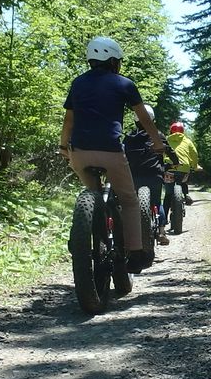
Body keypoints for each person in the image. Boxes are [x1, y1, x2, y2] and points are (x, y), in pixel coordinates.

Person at [60, 36, 169, 273]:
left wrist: (62, 147)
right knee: (129, 200)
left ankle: (83, 236)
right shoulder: (124, 84)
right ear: (112, 60)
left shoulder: (78, 83)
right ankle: (136, 253)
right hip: (110, 151)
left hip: (79, 152)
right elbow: (144, 118)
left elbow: (69, 120)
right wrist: (157, 142)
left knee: (92, 192)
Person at [123, 105, 179, 246]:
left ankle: (130, 233)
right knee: (157, 202)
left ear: (135, 121)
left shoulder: (129, 137)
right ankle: (161, 232)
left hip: (133, 176)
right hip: (154, 175)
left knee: (132, 204)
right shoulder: (158, 135)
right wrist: (176, 162)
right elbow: (169, 151)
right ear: (152, 120)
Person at [165, 122, 201, 205]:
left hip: (170, 167)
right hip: (184, 167)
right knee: (183, 181)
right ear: (182, 131)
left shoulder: (166, 140)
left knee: (168, 193)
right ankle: (186, 194)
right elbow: (194, 154)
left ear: (171, 131)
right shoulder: (187, 141)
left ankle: (165, 212)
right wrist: (195, 166)